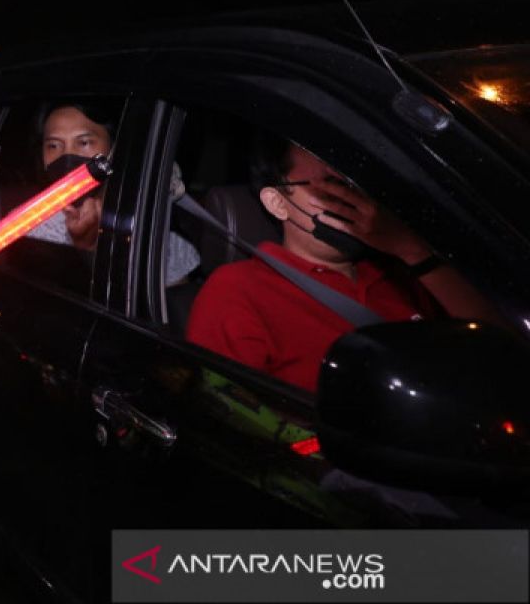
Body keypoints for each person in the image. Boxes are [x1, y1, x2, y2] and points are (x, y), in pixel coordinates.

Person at [187, 134, 497, 392]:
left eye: (354, 184)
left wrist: (414, 252)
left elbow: (498, 346)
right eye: (331, 187)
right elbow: (226, 415)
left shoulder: (401, 272)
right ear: (278, 202)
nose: (352, 200)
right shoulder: (238, 289)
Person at [28, 100, 200, 285]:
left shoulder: (151, 230)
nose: (67, 156)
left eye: (84, 142)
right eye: (53, 145)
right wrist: (86, 246)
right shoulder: (28, 226)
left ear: (114, 150)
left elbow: (171, 306)